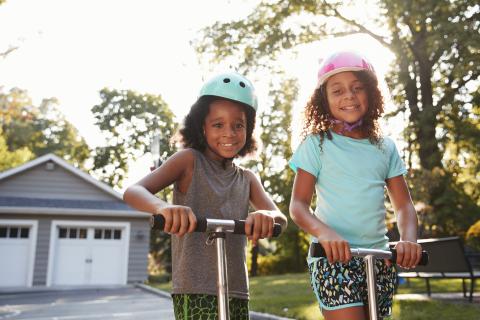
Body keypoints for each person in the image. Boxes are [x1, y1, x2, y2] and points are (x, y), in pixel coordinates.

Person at [123, 71, 287, 320]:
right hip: (195, 288)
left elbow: (280, 218)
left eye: (238, 125)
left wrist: (267, 216)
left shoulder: (247, 178)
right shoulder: (188, 161)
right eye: (218, 124)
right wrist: (162, 207)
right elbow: (134, 191)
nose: (229, 133)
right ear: (202, 126)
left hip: (236, 290)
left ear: (249, 129)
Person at [288, 51, 422, 320]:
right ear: (324, 101)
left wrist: (408, 240)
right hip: (332, 257)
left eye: (357, 88)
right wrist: (324, 233)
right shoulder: (317, 144)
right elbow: (298, 206)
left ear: (371, 93)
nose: (348, 96)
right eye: (337, 90)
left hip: (379, 258)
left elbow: (404, 205)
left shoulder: (386, 148)